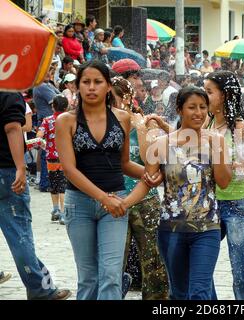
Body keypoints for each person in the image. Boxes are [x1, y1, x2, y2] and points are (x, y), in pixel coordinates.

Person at [55, 60, 161, 300]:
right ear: (78, 87)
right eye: (86, 82)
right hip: (79, 204)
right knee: (88, 276)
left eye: (97, 82)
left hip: (115, 205)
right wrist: (104, 198)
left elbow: (123, 164)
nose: (91, 87)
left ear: (107, 87)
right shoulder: (66, 121)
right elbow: (69, 170)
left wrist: (148, 174)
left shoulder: (122, 118)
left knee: (112, 274)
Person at [120, 86, 232, 300]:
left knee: (199, 292)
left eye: (202, 107)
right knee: (179, 293)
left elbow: (224, 182)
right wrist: (125, 203)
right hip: (171, 230)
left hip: (207, 228)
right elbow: (147, 182)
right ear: (180, 110)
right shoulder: (162, 144)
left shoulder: (216, 140)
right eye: (192, 107)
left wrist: (216, 149)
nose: (198, 112)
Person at [0, 91, 71, 300]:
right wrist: (21, 167)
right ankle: (40, 289)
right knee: (19, 234)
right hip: (6, 171)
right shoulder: (7, 91)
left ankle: (42, 284)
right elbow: (13, 128)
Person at [110, 77, 169, 300]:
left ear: (126, 98)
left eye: (113, 100)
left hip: (146, 201)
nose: (110, 106)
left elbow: (149, 161)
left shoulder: (146, 123)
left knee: (154, 261)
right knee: (114, 261)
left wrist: (140, 127)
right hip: (116, 200)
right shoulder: (104, 125)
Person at [204, 71, 244, 300]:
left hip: (239, 204)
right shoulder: (206, 124)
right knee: (201, 265)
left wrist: (230, 165)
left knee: (240, 270)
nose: (203, 96)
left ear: (225, 95)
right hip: (209, 204)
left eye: (209, 92)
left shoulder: (238, 127)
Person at [36, 94, 68, 224]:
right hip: (66, 158)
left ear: (53, 107)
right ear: (66, 107)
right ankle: (64, 213)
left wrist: (45, 146)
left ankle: (55, 210)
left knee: (54, 184)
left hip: (51, 158)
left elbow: (39, 137)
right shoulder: (69, 119)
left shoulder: (47, 120)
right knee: (63, 186)